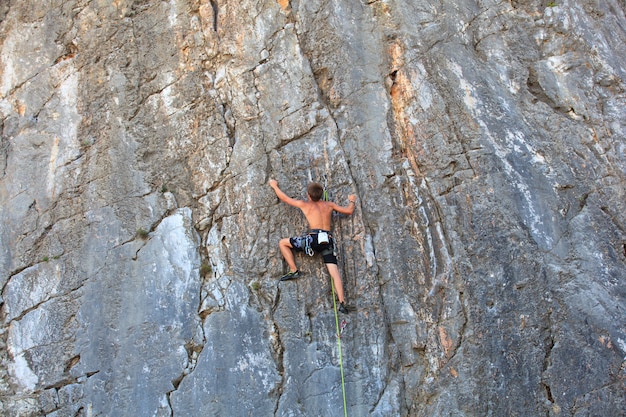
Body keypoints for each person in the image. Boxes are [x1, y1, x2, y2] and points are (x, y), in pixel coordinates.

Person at [269, 179, 356, 313]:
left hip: (312, 240)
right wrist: (351, 200)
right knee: (335, 273)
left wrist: (275, 186)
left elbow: (285, 198)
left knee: (283, 243)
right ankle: (342, 303)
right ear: (321, 195)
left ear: (308, 195)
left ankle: (294, 270)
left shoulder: (305, 204)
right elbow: (349, 211)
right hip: (327, 240)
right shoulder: (330, 205)